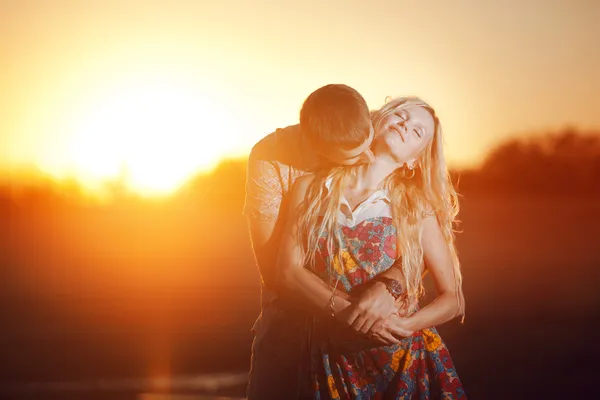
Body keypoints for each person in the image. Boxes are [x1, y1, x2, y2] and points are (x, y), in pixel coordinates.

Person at [278, 97, 467, 398]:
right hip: (334, 356)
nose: (406, 126)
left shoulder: (415, 206)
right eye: (401, 116)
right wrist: (347, 312)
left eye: (418, 131)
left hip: (405, 360)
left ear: (415, 160)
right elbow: (288, 272)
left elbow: (453, 298)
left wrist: (404, 326)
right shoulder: (311, 188)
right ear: (378, 122)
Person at [244, 84, 409, 399]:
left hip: (382, 336)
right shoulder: (271, 157)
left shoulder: (386, 135)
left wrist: (390, 284)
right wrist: (358, 315)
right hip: (292, 336)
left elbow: (425, 244)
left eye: (367, 143)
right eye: (354, 157)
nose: (371, 156)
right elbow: (274, 271)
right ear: (319, 153)